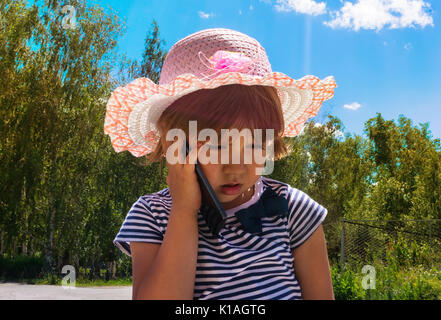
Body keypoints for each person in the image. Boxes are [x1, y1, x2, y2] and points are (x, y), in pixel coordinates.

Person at [104, 28, 337, 300]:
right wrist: (183, 211)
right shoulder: (153, 215)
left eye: (254, 145)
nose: (236, 167)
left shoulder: (294, 211)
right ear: (175, 144)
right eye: (215, 146)